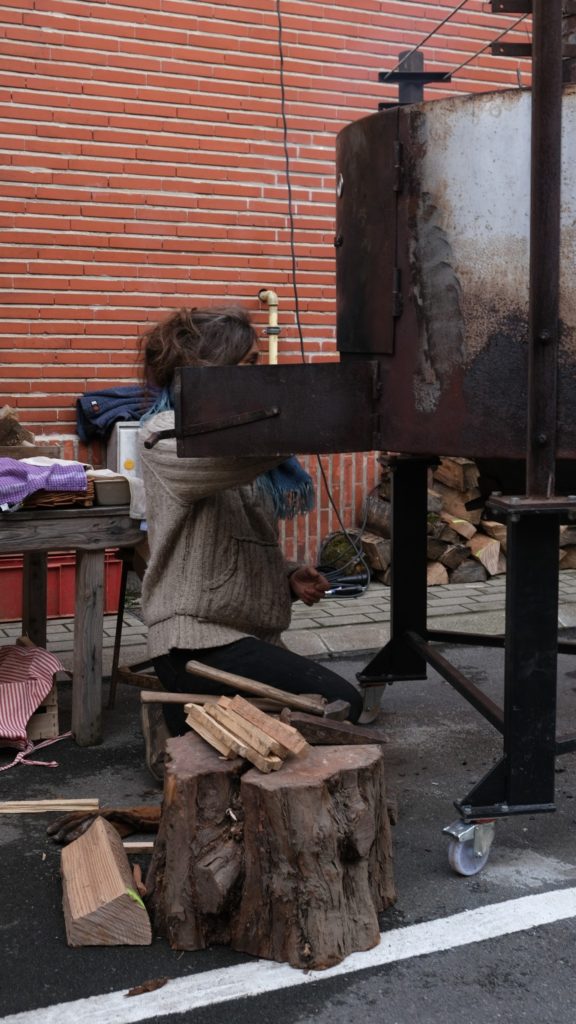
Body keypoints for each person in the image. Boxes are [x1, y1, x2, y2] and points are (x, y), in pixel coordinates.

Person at [137, 305, 362, 769]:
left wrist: (286, 577)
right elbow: (235, 455)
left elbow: (230, 537)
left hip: (242, 634)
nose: (263, 375)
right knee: (341, 707)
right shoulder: (163, 436)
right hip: (195, 642)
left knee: (335, 708)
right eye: (251, 366)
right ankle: (189, 724)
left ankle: (192, 725)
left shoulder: (243, 446)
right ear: (210, 373)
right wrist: (318, 410)